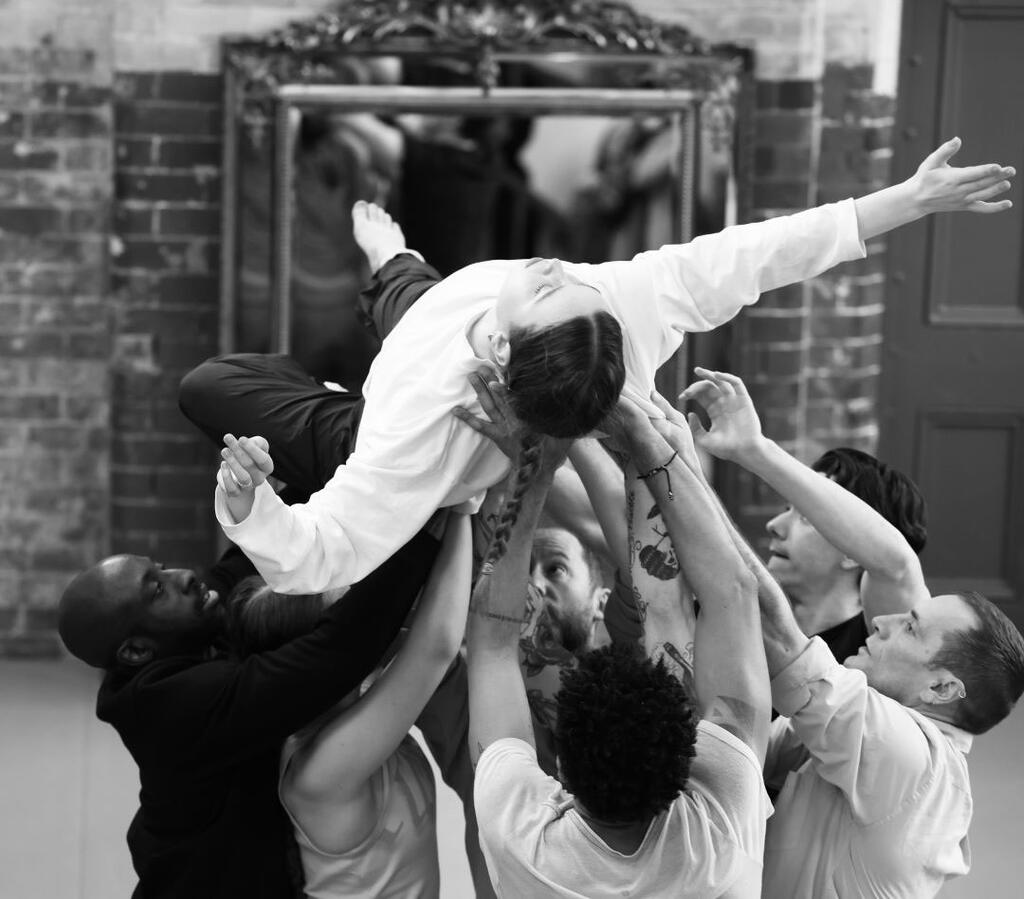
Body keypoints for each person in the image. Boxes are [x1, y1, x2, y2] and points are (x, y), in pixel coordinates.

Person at [185, 139, 1015, 594]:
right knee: (409, 289)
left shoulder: (413, 424)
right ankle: (394, 265)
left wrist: (251, 502)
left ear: (505, 349)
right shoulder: (614, 302)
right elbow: (756, 254)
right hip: (437, 312)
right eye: (569, 283)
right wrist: (909, 200)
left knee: (211, 386)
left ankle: (372, 328)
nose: (553, 267)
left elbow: (320, 553)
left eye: (551, 289)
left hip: (400, 407)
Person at [681, 368, 1024, 898]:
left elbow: (775, 617)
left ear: (941, 687)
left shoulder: (906, 754)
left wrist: (690, 470)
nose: (885, 621)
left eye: (911, 626)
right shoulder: (862, 717)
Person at [460, 384, 772, 897]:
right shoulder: (721, 830)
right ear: (687, 759)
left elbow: (492, 643)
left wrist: (540, 465)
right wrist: (649, 447)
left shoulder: (521, 834)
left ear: (560, 767)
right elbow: (733, 593)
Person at [56, 530, 439, 899]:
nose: (183, 575)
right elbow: (333, 653)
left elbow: (249, 555)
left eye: (162, 567)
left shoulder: (182, 628)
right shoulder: (175, 708)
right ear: (136, 651)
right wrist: (420, 528)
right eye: (157, 589)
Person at [223, 513, 472, 899]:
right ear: (319, 656)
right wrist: (462, 506)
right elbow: (436, 646)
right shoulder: (319, 771)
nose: (364, 609)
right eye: (348, 612)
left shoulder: (354, 699)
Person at [763, 443, 928, 661]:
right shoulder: (749, 621)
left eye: (806, 517)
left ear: (855, 551)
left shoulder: (878, 644)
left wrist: (755, 449)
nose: (774, 525)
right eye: (787, 509)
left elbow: (896, 565)